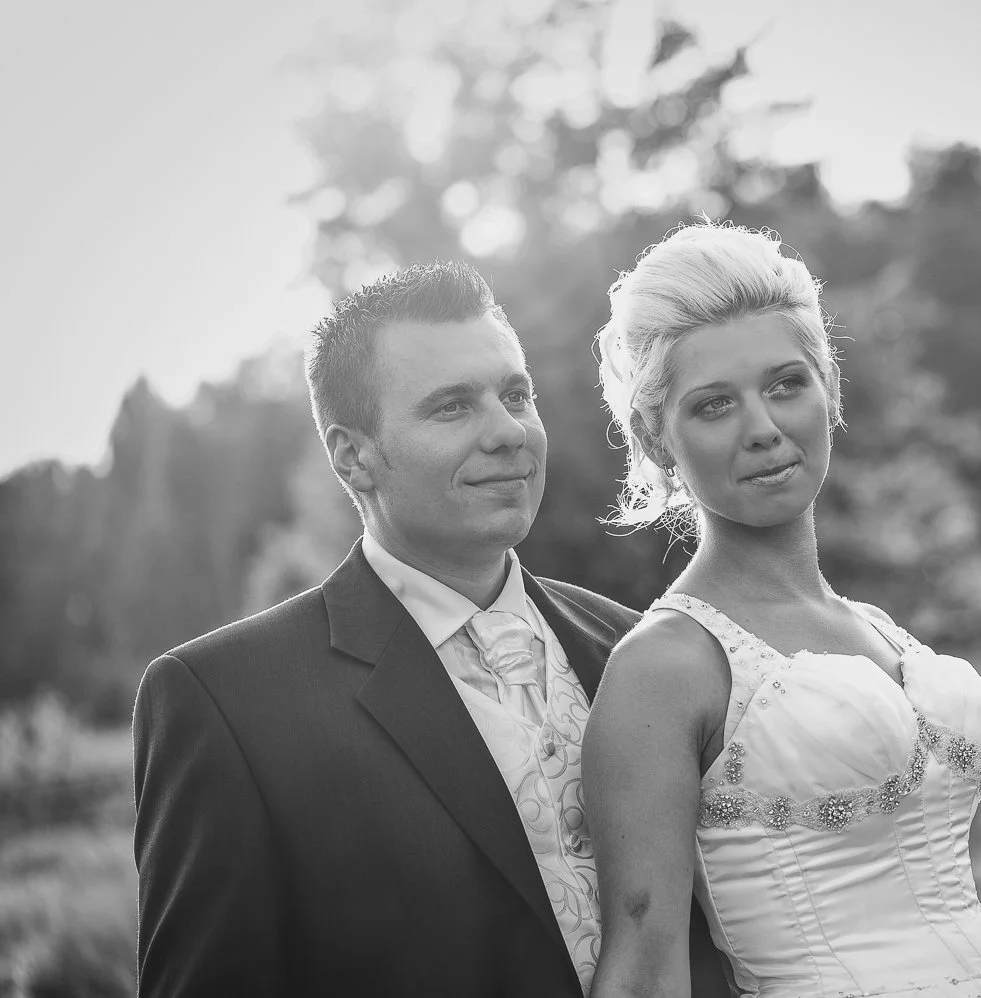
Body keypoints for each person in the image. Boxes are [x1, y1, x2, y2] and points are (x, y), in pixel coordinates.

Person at [133, 262, 731, 998]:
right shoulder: (226, 703)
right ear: (351, 455)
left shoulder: (637, 648)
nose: (509, 432)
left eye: (516, 395)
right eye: (452, 408)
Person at [583, 223, 981, 998]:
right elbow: (644, 972)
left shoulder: (875, 628)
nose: (764, 428)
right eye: (715, 405)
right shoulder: (667, 666)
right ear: (658, 440)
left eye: (787, 383)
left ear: (830, 390)